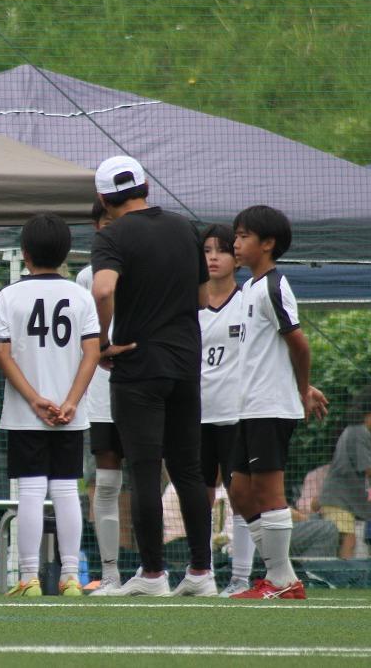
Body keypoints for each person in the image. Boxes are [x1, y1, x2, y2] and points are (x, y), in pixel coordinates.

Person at [90, 155, 215, 597]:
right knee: (188, 470)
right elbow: (202, 299)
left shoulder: (112, 236)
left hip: (139, 364)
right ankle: (201, 572)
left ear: (104, 198)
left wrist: (103, 340)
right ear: (145, 186)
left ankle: (153, 574)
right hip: (185, 361)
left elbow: (103, 289)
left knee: (144, 470)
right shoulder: (185, 228)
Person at [0, 214, 99, 597]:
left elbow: (2, 355)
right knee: (67, 489)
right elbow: (92, 353)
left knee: (31, 490)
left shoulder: (8, 296)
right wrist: (70, 402)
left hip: (26, 413)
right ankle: (71, 577)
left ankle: (28, 578)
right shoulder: (81, 295)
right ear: (66, 253)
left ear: (24, 253)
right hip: (70, 414)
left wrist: (35, 399)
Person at [227, 204, 328, 599]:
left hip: (269, 406)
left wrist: (301, 389)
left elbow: (299, 344)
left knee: (269, 493)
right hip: (249, 406)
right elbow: (266, 350)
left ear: (267, 243)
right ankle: (281, 577)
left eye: (243, 236)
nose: (235, 244)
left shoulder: (273, 286)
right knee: (239, 491)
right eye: (236, 236)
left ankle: (281, 580)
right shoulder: (248, 288)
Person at [196, 224, 254, 597]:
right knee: (199, 496)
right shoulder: (187, 305)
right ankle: (202, 573)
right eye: (206, 250)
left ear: (236, 258)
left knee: (240, 496)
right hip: (195, 415)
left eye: (221, 250)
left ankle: (241, 577)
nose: (213, 257)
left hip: (235, 415)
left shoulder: (248, 300)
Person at [76, 200, 126, 596]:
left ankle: (155, 570)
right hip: (100, 397)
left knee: (149, 481)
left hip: (145, 390)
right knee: (106, 483)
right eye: (107, 221)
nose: (113, 227)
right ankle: (110, 573)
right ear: (97, 227)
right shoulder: (84, 277)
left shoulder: (149, 267)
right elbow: (83, 340)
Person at [319, 387, 371, 559]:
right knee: (348, 540)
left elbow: (368, 465)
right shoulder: (360, 432)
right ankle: (341, 572)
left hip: (341, 500)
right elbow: (368, 468)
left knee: (348, 540)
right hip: (339, 500)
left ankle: (342, 570)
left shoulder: (355, 430)